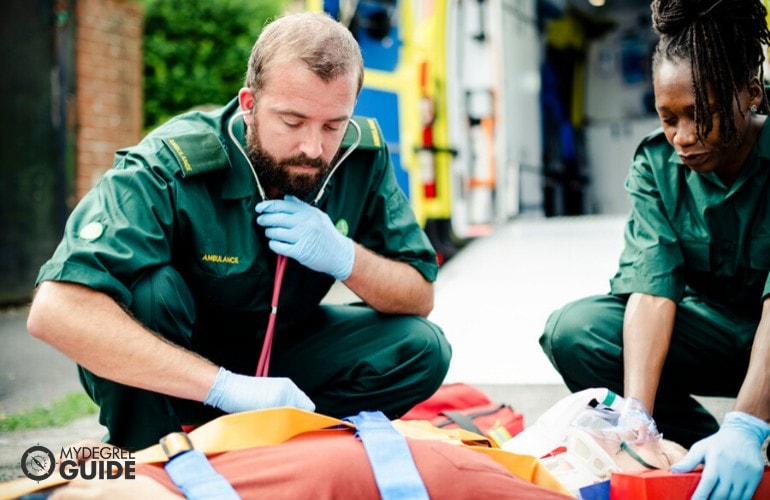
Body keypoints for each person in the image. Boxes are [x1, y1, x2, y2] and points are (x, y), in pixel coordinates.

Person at [26, 11, 451, 451]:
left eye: (332, 125)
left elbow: (418, 294)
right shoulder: (170, 163)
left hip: (286, 357)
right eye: (292, 122)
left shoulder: (359, 158)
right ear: (249, 104)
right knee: (149, 292)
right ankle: (148, 453)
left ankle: (293, 444)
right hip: (177, 370)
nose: (313, 147)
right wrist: (224, 387)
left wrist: (345, 256)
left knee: (421, 349)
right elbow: (56, 311)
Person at [539, 0, 770, 498]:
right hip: (718, 336)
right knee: (577, 331)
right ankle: (692, 449)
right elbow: (650, 290)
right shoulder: (656, 164)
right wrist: (635, 418)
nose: (682, 138)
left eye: (699, 116)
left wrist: (748, 422)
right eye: (668, 118)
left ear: (752, 93)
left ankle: (745, 437)